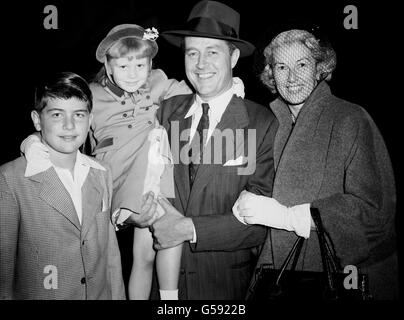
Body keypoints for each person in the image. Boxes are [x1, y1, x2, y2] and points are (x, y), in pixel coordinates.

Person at [233, 28, 398, 299]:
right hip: (275, 279)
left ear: (319, 68)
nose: (292, 77)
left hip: (337, 282)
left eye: (302, 65)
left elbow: (375, 213)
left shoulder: (350, 119)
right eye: (282, 67)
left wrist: (291, 217)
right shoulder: (269, 125)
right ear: (271, 74)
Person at [142, 0, 278, 300]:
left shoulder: (261, 123)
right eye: (192, 53)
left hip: (225, 289)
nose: (200, 64)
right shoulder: (165, 112)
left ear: (233, 57)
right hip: (162, 289)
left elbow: (259, 223)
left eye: (212, 52)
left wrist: (188, 229)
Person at [0, 71, 125, 300]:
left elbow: (111, 256)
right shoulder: (11, 178)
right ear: (37, 120)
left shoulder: (102, 172)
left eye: (78, 115)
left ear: (90, 119)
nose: (69, 125)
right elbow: (4, 268)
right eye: (57, 115)